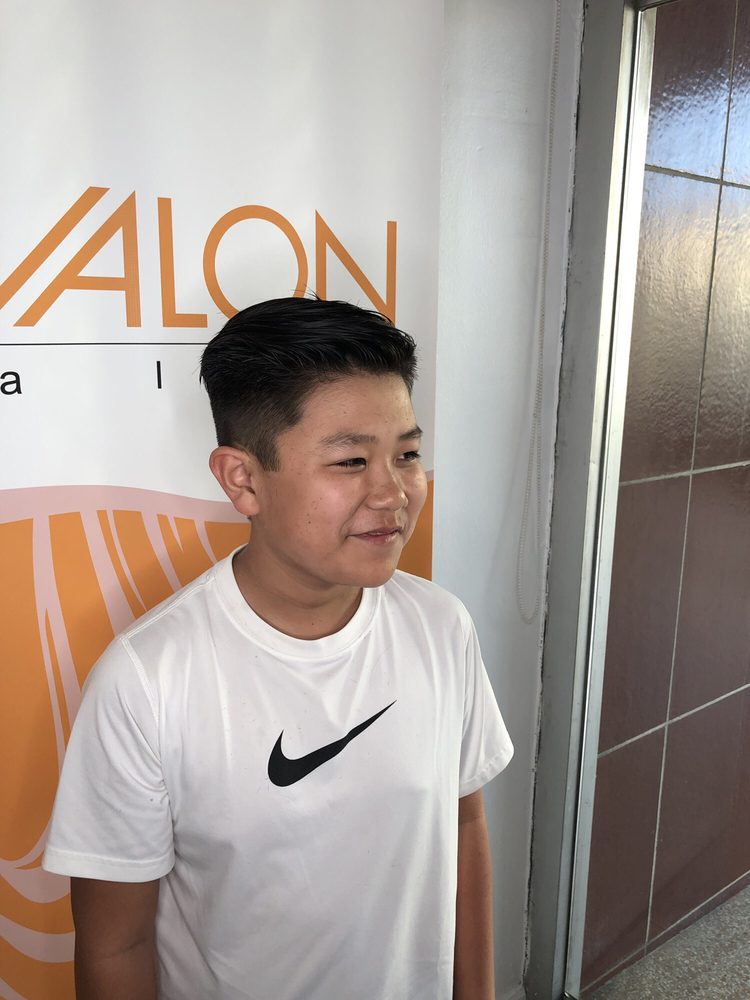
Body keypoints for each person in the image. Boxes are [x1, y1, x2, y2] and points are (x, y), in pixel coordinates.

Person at [43, 296, 514, 1000]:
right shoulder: (147, 679)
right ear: (243, 479)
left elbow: (463, 826)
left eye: (408, 454)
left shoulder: (441, 625)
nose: (393, 492)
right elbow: (117, 944)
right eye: (351, 460)